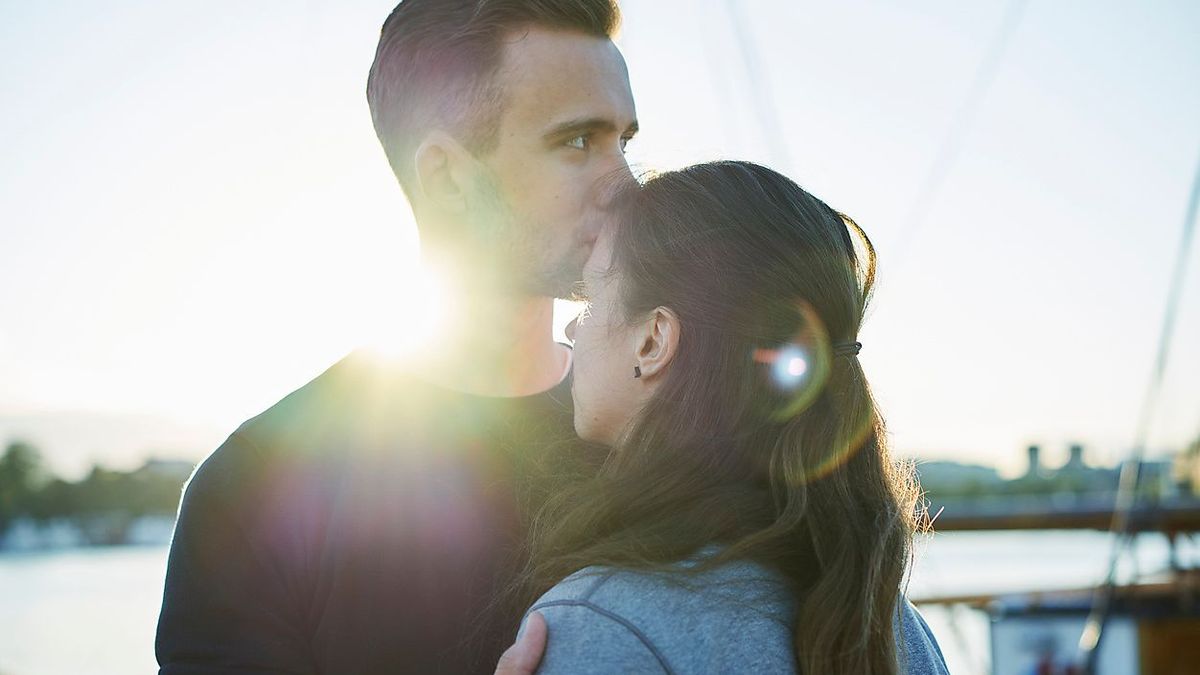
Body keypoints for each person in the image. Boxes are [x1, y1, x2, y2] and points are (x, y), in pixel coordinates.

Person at [155, 1, 636, 673]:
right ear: (446, 176)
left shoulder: (658, 441)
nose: (626, 186)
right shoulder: (254, 489)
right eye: (578, 142)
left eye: (625, 142)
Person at [503, 161, 951, 674]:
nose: (573, 328)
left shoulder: (602, 628)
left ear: (653, 341)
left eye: (590, 299)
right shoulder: (895, 628)